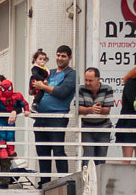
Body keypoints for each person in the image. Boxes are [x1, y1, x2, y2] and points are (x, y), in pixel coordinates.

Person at [30, 45, 75, 180]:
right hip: (41, 116)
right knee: (42, 152)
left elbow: (62, 93)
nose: (60, 58)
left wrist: (43, 86)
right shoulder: (49, 72)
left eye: (63, 56)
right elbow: (35, 86)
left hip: (57, 116)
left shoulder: (71, 74)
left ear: (70, 58)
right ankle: (44, 182)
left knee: (58, 151)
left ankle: (63, 181)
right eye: (58, 55)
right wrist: (33, 87)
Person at [76, 67, 115, 161]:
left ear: (98, 79)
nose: (87, 83)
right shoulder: (80, 89)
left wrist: (99, 109)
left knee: (101, 157)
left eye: (90, 80)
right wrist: (91, 109)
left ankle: (99, 176)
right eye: (86, 80)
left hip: (104, 127)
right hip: (86, 127)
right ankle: (86, 175)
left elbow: (107, 109)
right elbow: (78, 108)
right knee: (88, 156)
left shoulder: (107, 89)